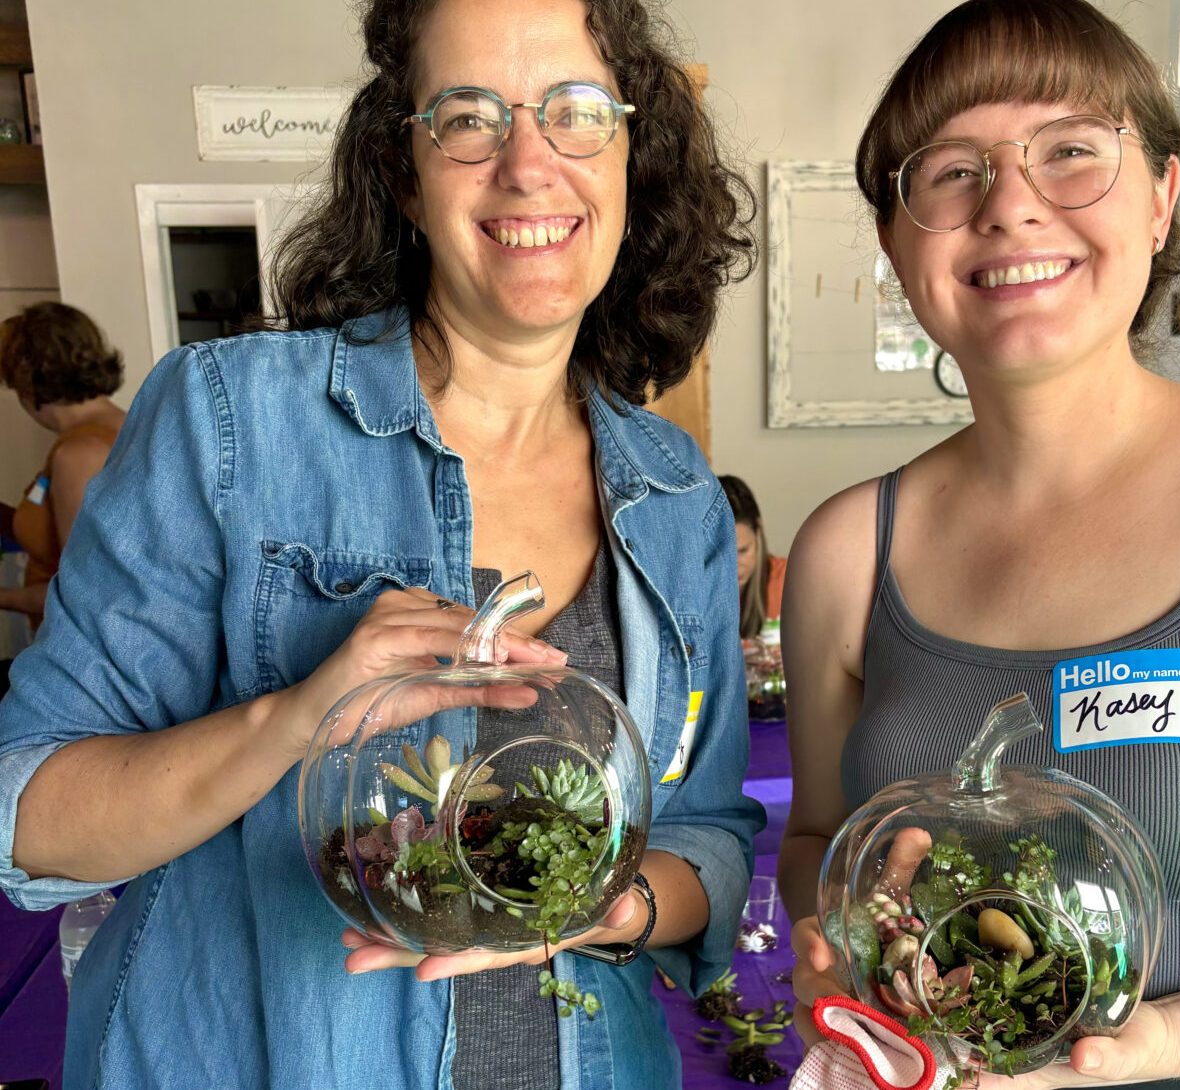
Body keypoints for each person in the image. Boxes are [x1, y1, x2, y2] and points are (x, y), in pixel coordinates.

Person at [0, 1, 763, 1087]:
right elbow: (29, 815)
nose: (528, 164)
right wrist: (294, 716)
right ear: (403, 172)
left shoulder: (676, 490)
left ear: (633, 157)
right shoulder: (230, 422)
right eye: (468, 116)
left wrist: (609, 905)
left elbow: (710, 833)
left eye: (578, 111)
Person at [779, 2, 1180, 1088]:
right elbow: (816, 839)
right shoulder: (850, 549)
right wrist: (842, 939)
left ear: (1162, 197)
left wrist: (1165, 1043)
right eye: (952, 171)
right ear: (897, 241)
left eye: (1072, 152)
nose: (1009, 205)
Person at [0, 302, 126, 629]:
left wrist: (6, 597)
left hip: (79, 652)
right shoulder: (122, 425)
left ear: (28, 381)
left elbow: (88, 592)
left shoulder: (79, 454)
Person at [719, 475, 786, 640]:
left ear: (758, 534)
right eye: (723, 555)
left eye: (743, 551)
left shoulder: (788, 580)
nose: (734, 566)